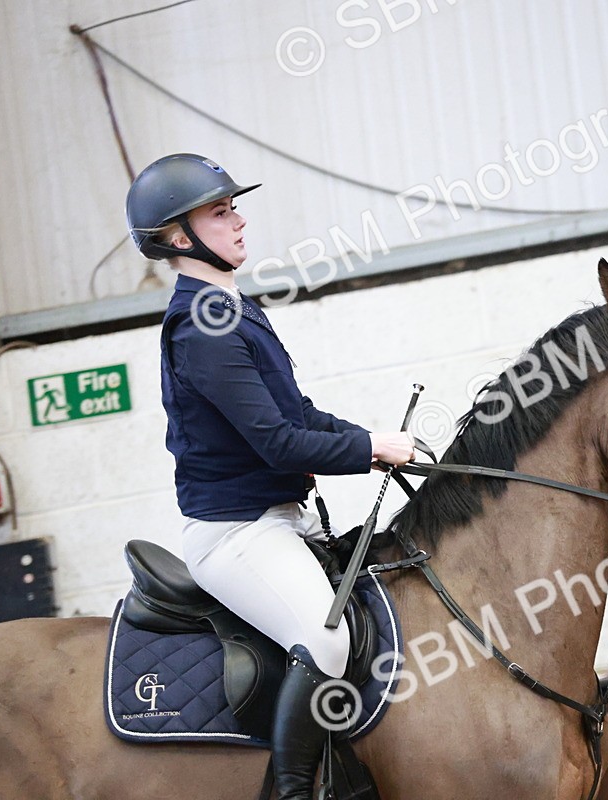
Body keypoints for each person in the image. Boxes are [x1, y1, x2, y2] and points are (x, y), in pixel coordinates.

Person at [126, 153, 414, 799]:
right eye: (221, 213)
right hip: (237, 534)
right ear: (178, 237)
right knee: (327, 639)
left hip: (280, 518)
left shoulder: (230, 307)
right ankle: (290, 791)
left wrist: (378, 441)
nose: (240, 222)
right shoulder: (202, 328)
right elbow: (280, 444)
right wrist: (370, 449)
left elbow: (298, 413)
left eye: (234, 209)